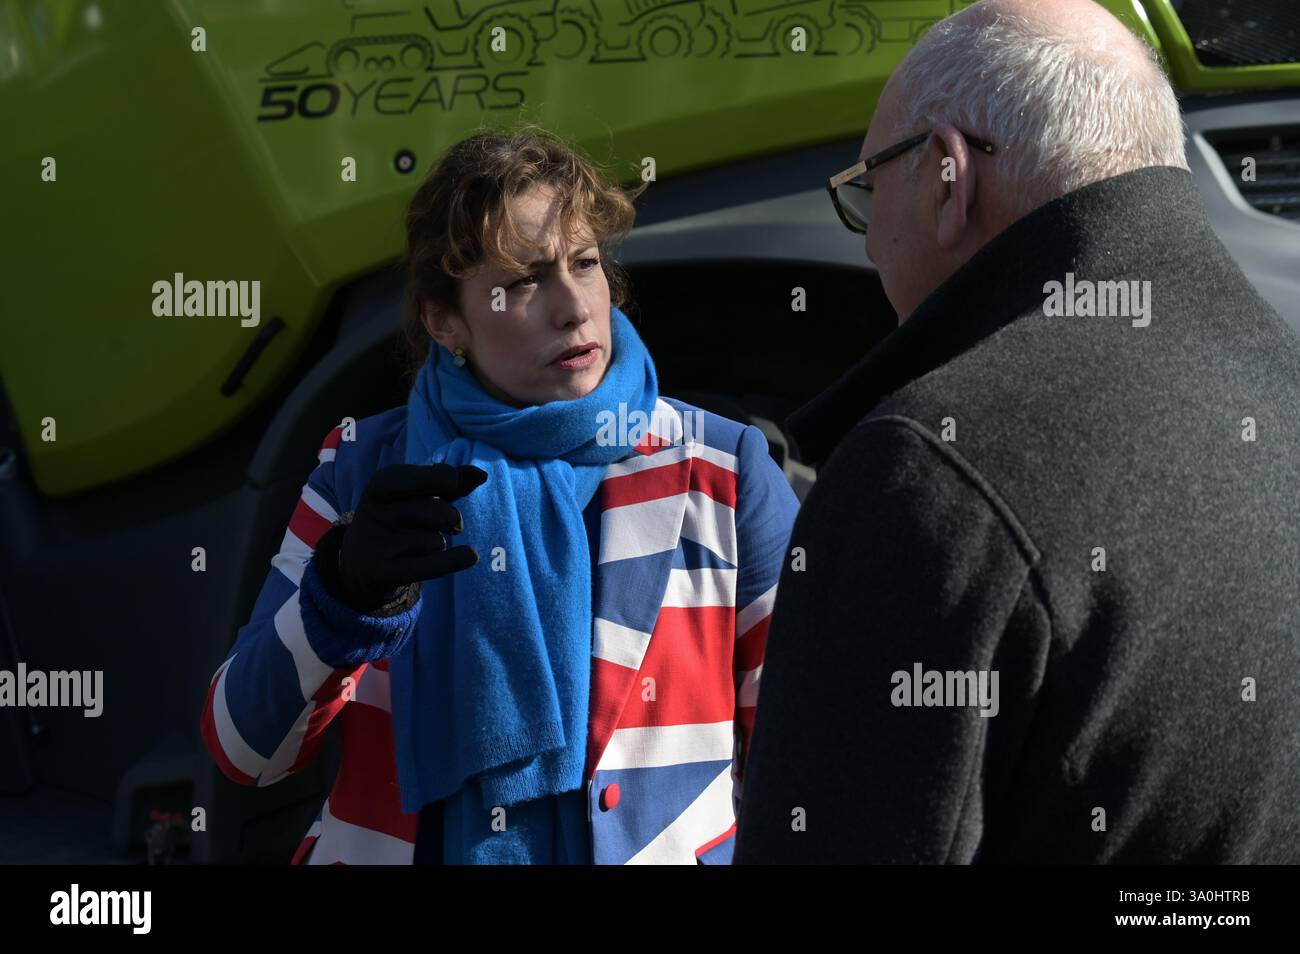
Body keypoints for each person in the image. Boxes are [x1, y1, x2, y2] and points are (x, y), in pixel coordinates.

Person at [735, 0, 1300, 863]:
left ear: (946, 177)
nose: (868, 245)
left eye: (866, 191)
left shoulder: (924, 473)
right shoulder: (1282, 379)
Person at [200, 125, 799, 864]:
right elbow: (243, 749)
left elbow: (811, 751)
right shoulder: (360, 470)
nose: (575, 307)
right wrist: (343, 597)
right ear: (443, 319)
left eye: (584, 263)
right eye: (521, 282)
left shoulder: (724, 470)